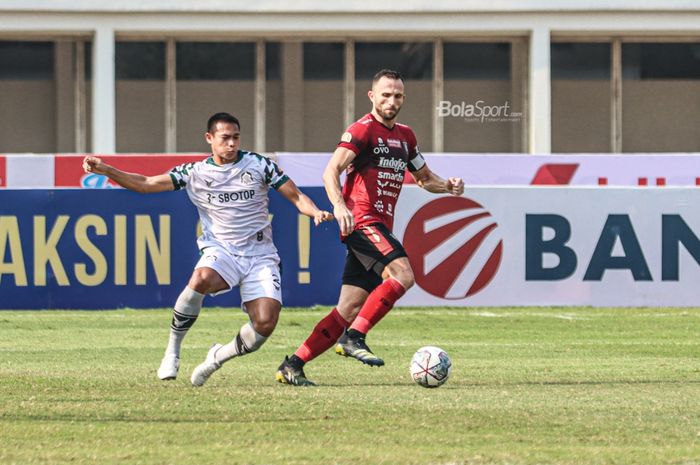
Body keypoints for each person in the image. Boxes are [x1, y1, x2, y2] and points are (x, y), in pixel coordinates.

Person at [83, 112, 333, 387]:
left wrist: (315, 212)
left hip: (260, 254)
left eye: (236, 137)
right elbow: (145, 184)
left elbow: (295, 195)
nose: (231, 144)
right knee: (200, 278)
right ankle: (172, 351)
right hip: (222, 250)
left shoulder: (259, 165)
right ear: (209, 139)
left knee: (265, 323)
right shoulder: (195, 172)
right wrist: (107, 170)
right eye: (225, 138)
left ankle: (216, 357)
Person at [276, 69, 464, 386]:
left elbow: (424, 178)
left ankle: (293, 365)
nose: (392, 100)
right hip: (362, 220)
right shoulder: (362, 131)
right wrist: (339, 206)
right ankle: (355, 337)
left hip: (377, 225)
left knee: (348, 307)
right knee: (403, 275)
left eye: (398, 95)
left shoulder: (406, 136)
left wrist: (449, 185)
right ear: (372, 96)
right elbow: (330, 171)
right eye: (386, 94)